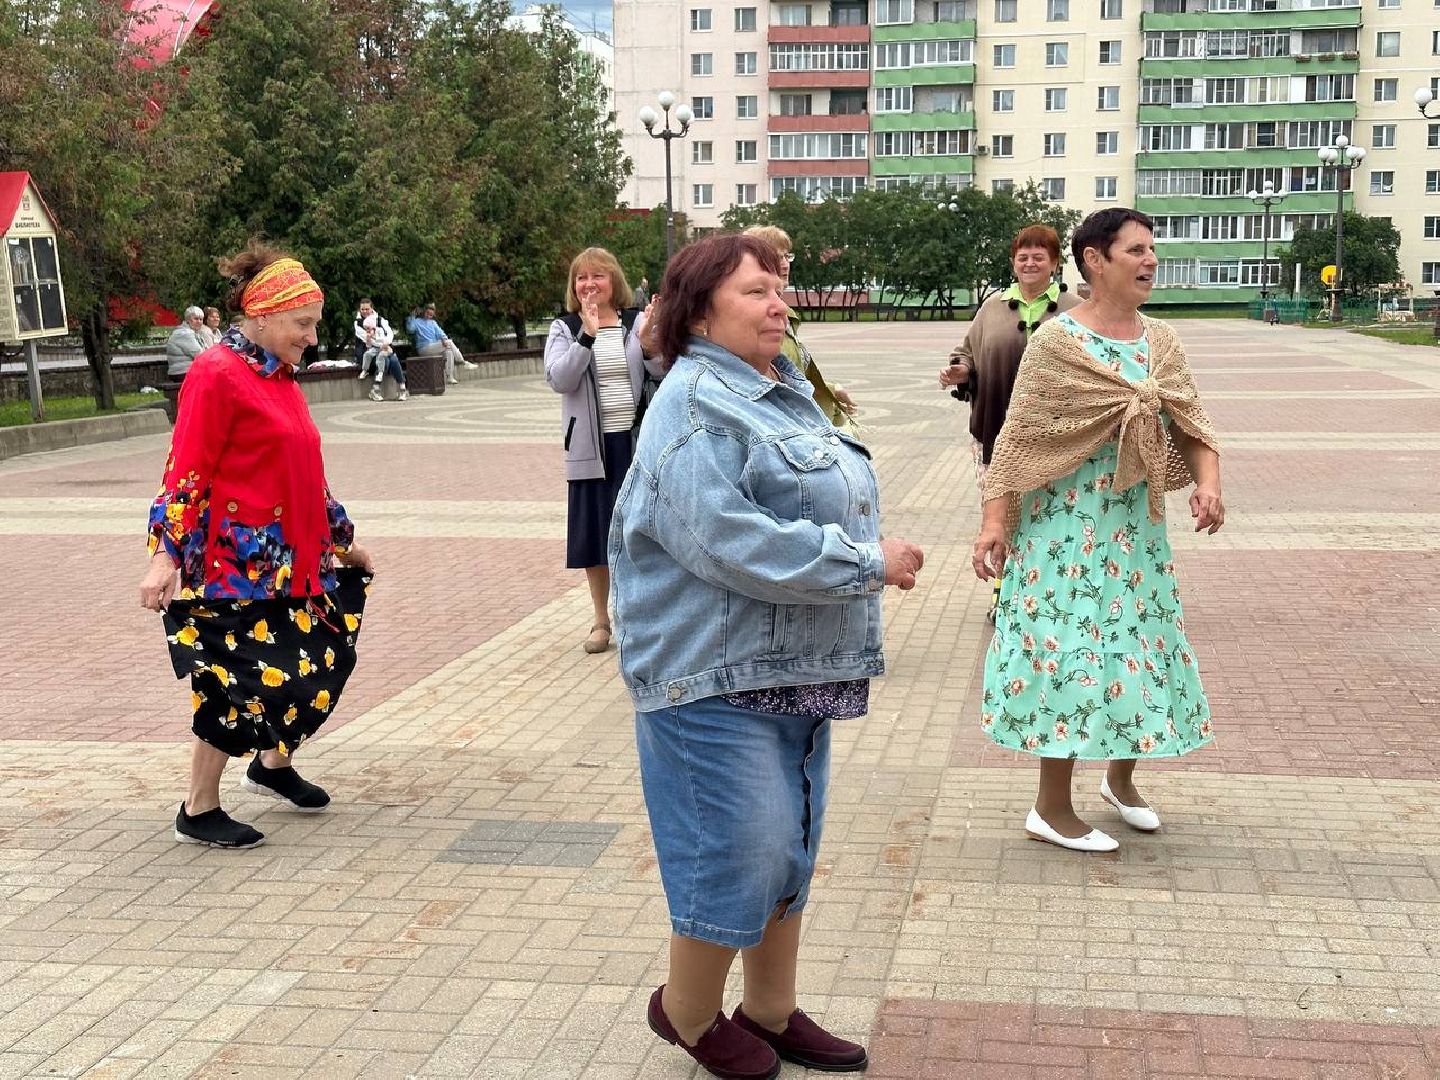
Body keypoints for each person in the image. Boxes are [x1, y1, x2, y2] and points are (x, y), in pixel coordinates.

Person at [611, 233, 925, 1080]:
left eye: (779, 288)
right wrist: (864, 562)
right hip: (709, 674)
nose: (778, 303)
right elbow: (729, 540)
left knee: (788, 846)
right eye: (756, 292)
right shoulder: (692, 403)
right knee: (736, 849)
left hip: (791, 669)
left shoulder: (777, 391)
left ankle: (771, 1010)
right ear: (700, 308)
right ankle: (684, 1012)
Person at [971, 208, 1224, 853]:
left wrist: (1209, 485)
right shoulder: (1058, 343)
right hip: (1065, 530)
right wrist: (994, 521)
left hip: (1133, 531)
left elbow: (1192, 424)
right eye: (1135, 250)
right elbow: (1019, 435)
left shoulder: (1160, 340)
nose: (1150, 261)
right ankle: (1050, 808)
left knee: (1139, 647)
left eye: (1152, 250)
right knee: (1073, 657)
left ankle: (1121, 782)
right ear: (1094, 260)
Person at [138, 242, 375, 850]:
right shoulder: (217, 374)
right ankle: (198, 807)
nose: (312, 337)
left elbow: (305, 474)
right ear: (263, 315)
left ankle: (270, 765)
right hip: (234, 566)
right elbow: (184, 470)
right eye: (303, 324)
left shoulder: (279, 378)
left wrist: (344, 543)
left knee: (314, 660)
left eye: (315, 324)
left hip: (290, 558)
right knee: (237, 681)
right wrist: (164, 554)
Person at [939, 224, 1079, 620]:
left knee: (1053, 513)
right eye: (1023, 256)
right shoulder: (993, 307)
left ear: (1054, 263)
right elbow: (966, 352)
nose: (1030, 262)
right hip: (996, 431)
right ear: (1014, 262)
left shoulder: (1075, 309)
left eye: (1040, 256)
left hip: (1058, 437)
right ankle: (1004, 593)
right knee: (999, 516)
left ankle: (1053, 593)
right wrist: (959, 371)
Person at [544, 247, 660, 654]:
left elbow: (662, 371)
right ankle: (600, 620)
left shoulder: (635, 321)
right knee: (595, 537)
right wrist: (587, 336)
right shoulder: (565, 327)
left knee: (639, 534)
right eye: (581, 278)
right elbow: (560, 379)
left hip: (634, 443)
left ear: (615, 282)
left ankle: (638, 618)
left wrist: (648, 347)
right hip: (590, 449)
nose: (589, 284)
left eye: (599, 276)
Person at [743, 225, 859, 436]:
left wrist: (832, 390)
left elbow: (790, 375)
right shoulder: (757, 320)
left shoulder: (786, 316)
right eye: (777, 256)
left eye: (787, 256)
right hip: (784, 431)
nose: (785, 263)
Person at [407, 302, 475, 385]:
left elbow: (441, 333)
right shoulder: (417, 321)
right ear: (424, 312)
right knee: (449, 343)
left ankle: (450, 377)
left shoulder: (433, 323)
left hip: (433, 347)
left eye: (431, 315)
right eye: (427, 313)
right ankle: (463, 362)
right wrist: (412, 317)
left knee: (449, 351)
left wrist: (443, 338)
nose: (429, 316)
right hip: (423, 348)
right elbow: (410, 330)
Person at [361, 312, 408, 402]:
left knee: (393, 360)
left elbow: (389, 335)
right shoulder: (361, 327)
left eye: (368, 309)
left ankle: (402, 387)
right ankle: (375, 389)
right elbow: (368, 346)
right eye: (363, 309)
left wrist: (386, 344)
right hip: (370, 357)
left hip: (383, 352)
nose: (365, 312)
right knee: (384, 360)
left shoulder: (380, 325)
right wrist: (373, 341)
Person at [165, 307, 208, 378]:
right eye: (196, 319)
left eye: (201, 319)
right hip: (181, 371)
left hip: (189, 370)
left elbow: (206, 351)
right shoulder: (184, 334)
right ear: (188, 320)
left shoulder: (193, 332)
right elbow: (199, 355)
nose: (199, 322)